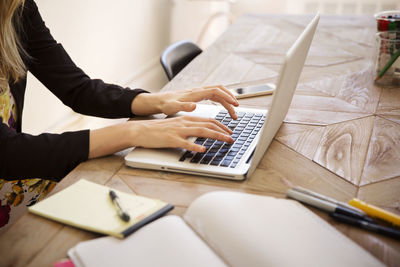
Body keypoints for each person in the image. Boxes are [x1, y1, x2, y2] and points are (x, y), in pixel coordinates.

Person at [0, 0, 238, 232]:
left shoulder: (16, 8)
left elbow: (77, 89)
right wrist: (131, 132)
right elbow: (7, 153)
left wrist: (155, 101)